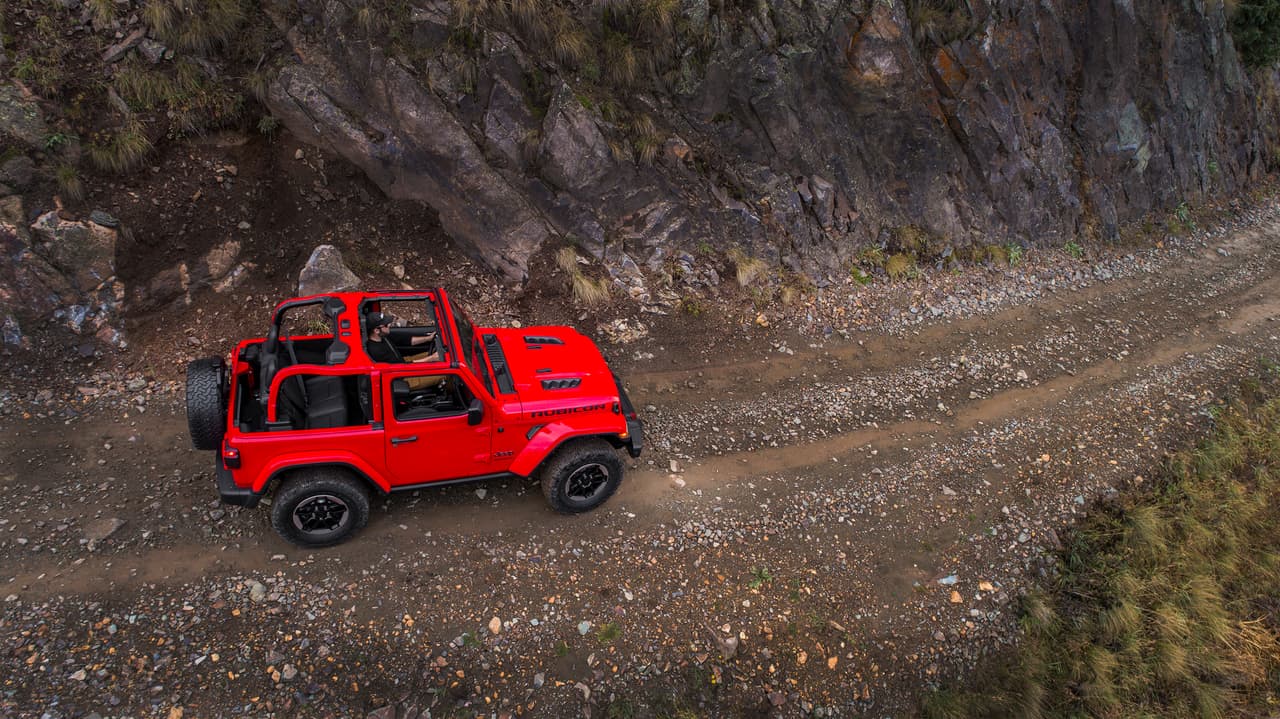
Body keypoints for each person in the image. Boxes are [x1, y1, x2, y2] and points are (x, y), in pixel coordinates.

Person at [365, 312, 439, 364]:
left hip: (402, 361)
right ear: (377, 330)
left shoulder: (383, 337)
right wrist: (430, 359)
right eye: (386, 325)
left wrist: (428, 338)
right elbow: (400, 368)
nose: (389, 325)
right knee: (442, 375)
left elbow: (406, 340)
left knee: (436, 356)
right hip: (403, 376)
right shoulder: (377, 351)